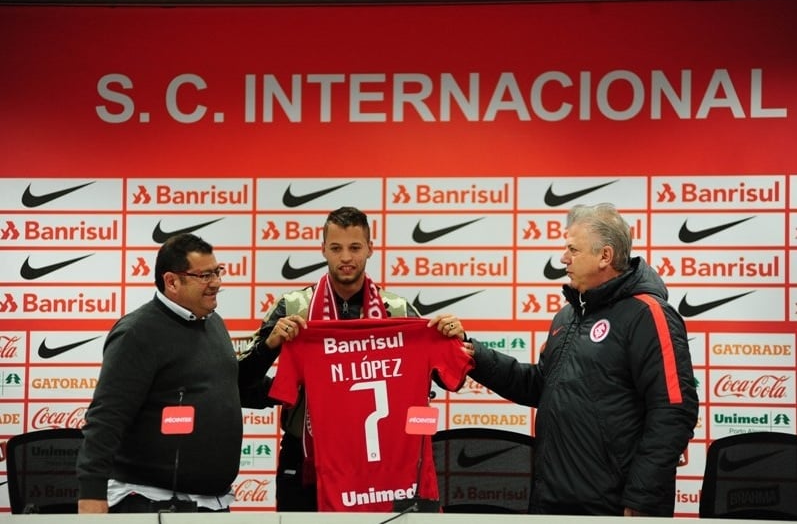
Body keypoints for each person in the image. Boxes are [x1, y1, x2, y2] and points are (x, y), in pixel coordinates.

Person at [464, 203, 698, 517]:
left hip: (613, 507)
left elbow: (674, 409)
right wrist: (472, 355)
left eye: (573, 249)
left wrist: (642, 499)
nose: (563, 258)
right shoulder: (569, 314)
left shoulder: (649, 313)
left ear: (605, 256)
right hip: (552, 501)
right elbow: (540, 386)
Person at [239, 206, 467, 511]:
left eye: (355, 247)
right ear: (322, 250)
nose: (346, 257)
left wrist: (456, 339)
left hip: (379, 459)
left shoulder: (396, 310)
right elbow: (241, 381)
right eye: (336, 248)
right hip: (308, 457)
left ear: (371, 249)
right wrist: (270, 345)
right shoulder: (293, 307)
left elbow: (449, 379)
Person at [76, 233, 275, 513]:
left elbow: (230, 386)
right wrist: (91, 495)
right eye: (205, 275)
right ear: (172, 282)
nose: (216, 283)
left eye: (218, 272)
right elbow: (106, 418)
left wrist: (295, 389)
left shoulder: (213, 322)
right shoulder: (137, 333)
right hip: (151, 505)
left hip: (211, 505)